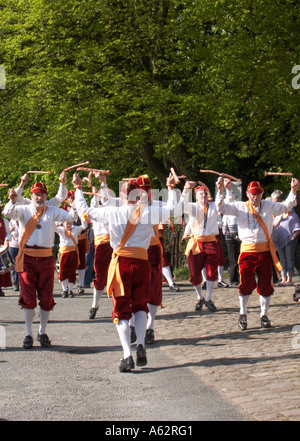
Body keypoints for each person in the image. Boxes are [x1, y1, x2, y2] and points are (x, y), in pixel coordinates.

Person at [72, 172, 176, 372]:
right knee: (140, 306)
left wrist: (78, 189)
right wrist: (170, 188)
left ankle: (127, 355)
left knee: (121, 310)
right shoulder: (148, 212)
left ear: (122, 196)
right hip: (142, 263)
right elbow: (171, 210)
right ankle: (141, 345)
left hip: (121, 264)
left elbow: (84, 211)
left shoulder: (113, 212)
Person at [216, 177, 299, 330]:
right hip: (247, 251)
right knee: (245, 284)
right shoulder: (240, 206)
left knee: (266, 284)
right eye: (253, 194)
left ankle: (264, 314)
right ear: (248, 194)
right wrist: (221, 190)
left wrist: (293, 189)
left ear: (262, 194)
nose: (255, 197)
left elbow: (286, 206)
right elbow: (221, 208)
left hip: (265, 251)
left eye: (258, 194)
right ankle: (243, 313)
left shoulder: (269, 205)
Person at [3, 182, 77, 349]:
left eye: (42, 194)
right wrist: (13, 200)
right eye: (36, 194)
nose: (39, 197)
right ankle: (28, 334)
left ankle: (42, 332)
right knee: (28, 298)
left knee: (46, 297)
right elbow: (7, 213)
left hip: (45, 258)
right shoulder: (23, 209)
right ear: (31, 195)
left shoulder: (52, 210)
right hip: (27, 258)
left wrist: (74, 205)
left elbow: (70, 218)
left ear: (45, 196)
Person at [179, 182, 220, 313]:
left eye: (206, 194)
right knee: (194, 272)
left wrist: (221, 189)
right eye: (201, 194)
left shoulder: (213, 207)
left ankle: (208, 298)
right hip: (196, 243)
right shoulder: (193, 207)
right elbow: (181, 207)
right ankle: (199, 297)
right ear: (196, 197)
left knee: (211, 271)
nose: (204, 196)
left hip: (210, 242)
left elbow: (221, 202)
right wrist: (186, 190)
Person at [87, 183, 113, 320]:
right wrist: (94, 193)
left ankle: (117, 307)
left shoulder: (114, 211)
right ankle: (94, 305)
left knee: (116, 276)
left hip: (114, 244)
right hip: (101, 245)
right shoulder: (95, 211)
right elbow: (86, 211)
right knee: (100, 276)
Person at [272, 192, 300, 286]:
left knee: (289, 259)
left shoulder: (293, 216)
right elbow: (274, 226)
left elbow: (297, 229)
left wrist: (292, 237)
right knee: (282, 260)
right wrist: (278, 219)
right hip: (279, 241)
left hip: (289, 242)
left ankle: (290, 279)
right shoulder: (278, 215)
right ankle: (283, 278)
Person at [55, 220, 86, 297]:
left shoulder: (75, 229)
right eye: (66, 223)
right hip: (63, 253)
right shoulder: (61, 229)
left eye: (70, 223)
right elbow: (53, 228)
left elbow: (84, 226)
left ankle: (70, 290)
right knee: (62, 271)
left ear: (72, 223)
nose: (68, 225)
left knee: (71, 271)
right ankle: (64, 289)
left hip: (73, 252)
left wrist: (84, 218)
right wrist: (56, 220)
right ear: (63, 224)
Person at [222, 213, 240, 286]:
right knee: (233, 260)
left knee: (241, 260)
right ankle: (233, 280)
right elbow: (225, 231)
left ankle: (242, 278)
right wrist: (235, 237)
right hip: (231, 240)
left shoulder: (239, 215)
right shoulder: (226, 216)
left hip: (242, 239)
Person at [0, 206, 12, 296]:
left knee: (2, 270)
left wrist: (7, 240)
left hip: (1, 248)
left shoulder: (5, 221)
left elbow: (9, 234)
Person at [9, 219, 20, 291]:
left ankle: (23, 283)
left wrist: (19, 225)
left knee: (22, 265)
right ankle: (15, 283)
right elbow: (7, 233)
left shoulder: (23, 219)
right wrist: (10, 230)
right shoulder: (11, 221)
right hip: (13, 246)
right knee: (13, 266)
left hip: (22, 246)